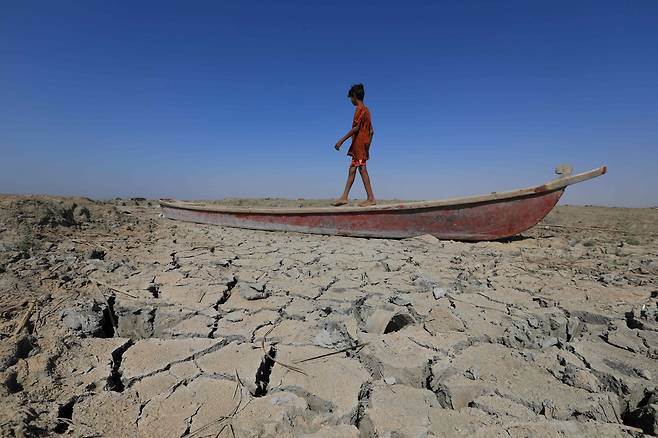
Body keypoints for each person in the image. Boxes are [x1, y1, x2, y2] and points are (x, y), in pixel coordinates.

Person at [333, 83, 376, 206]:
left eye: (351, 98)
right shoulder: (367, 111)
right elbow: (372, 131)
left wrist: (341, 141)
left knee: (362, 169)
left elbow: (356, 128)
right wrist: (368, 146)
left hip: (359, 145)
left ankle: (371, 198)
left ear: (354, 96)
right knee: (352, 169)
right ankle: (344, 197)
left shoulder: (360, 110)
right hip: (361, 146)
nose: (351, 101)